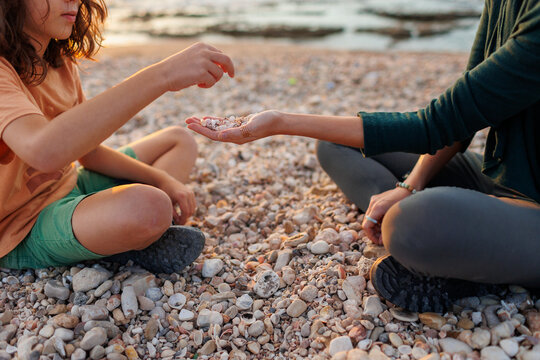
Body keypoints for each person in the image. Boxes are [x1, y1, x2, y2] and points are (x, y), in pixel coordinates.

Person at [187, 0, 540, 312]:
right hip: (501, 177)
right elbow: (461, 119)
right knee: (336, 146)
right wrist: (410, 185)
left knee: (409, 224)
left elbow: (433, 125)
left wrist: (280, 121)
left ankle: (463, 259)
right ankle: (468, 250)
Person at [0, 0, 235, 273]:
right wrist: (163, 74)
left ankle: (118, 238)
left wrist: (161, 178)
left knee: (179, 140)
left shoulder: (58, 61)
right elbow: (44, 152)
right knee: (151, 207)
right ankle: (123, 242)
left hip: (69, 185)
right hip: (20, 226)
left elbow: (88, 153)